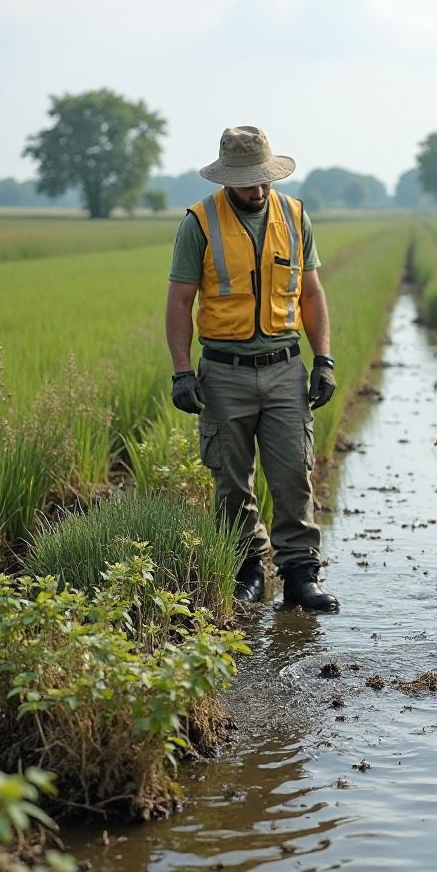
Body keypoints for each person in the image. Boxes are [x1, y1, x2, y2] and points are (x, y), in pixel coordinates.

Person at [166, 126, 339, 612]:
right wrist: (182, 372)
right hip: (223, 372)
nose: (258, 191)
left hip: (285, 368)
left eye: (263, 180)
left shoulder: (295, 215)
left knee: (293, 474)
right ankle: (247, 571)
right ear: (226, 180)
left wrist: (323, 359)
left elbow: (312, 293)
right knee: (230, 480)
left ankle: (300, 576)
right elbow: (180, 300)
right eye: (246, 182)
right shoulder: (198, 223)